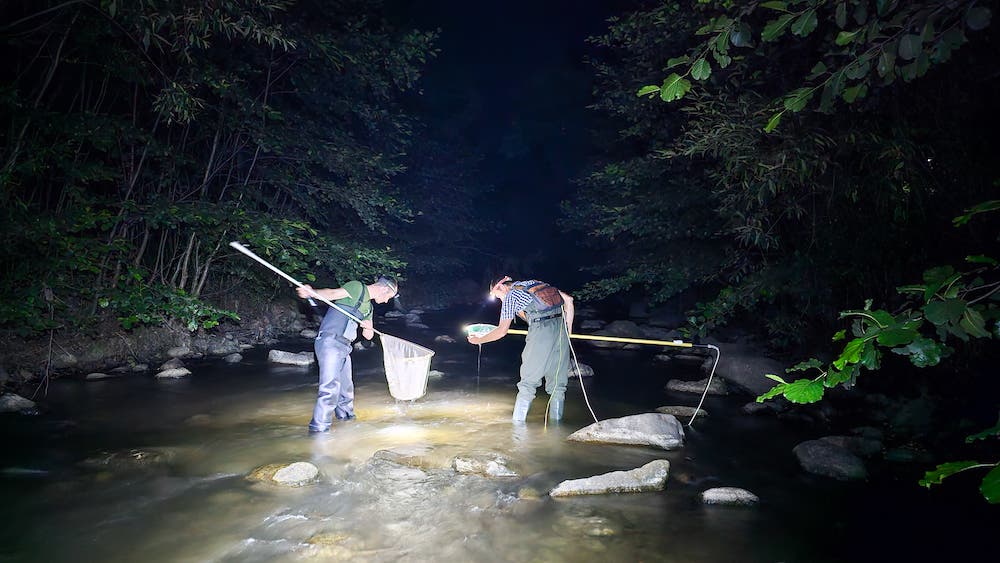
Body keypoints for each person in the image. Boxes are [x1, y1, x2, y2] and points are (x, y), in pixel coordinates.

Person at [296, 276, 398, 433]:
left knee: (346, 390)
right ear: (385, 289)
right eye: (389, 297)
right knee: (329, 389)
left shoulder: (368, 309)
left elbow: (368, 337)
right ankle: (319, 431)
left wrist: (368, 327)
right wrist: (312, 293)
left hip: (344, 347)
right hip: (330, 343)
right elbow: (332, 293)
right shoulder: (357, 287)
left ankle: (347, 422)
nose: (386, 301)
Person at [467, 276, 574, 422]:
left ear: (501, 287)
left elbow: (501, 331)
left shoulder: (511, 296)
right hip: (561, 330)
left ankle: (517, 431)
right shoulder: (535, 284)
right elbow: (568, 300)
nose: (499, 300)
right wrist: (568, 333)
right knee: (558, 386)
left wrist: (478, 340)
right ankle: (556, 428)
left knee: (527, 384)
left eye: (497, 296)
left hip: (541, 332)